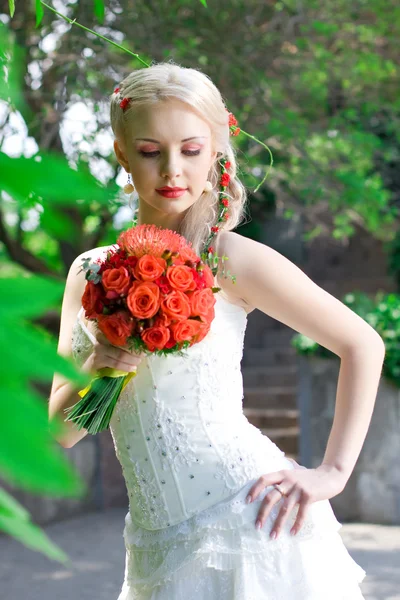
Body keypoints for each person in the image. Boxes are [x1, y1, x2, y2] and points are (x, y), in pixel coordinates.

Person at [49, 61, 385, 599]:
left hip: (249, 522)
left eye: (191, 149)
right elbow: (61, 431)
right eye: (151, 151)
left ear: (215, 153)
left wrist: (334, 471)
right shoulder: (90, 273)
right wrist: (101, 361)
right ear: (122, 154)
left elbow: (362, 343)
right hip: (153, 547)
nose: (173, 170)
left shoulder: (228, 259)